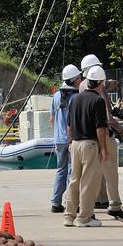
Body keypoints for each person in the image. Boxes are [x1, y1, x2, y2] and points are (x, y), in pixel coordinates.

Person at [63, 64, 111, 227]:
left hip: (75, 144)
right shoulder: (98, 101)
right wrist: (104, 149)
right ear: (100, 83)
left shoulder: (75, 98)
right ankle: (84, 218)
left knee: (74, 180)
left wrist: (70, 142)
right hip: (90, 145)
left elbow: (68, 125)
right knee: (88, 182)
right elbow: (100, 128)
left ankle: (69, 216)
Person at [80, 54, 123, 219]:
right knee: (110, 170)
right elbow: (105, 116)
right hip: (103, 133)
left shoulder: (83, 87)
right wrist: (120, 129)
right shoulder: (98, 91)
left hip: (88, 135)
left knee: (93, 171)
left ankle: (98, 200)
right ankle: (114, 204)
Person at [50, 63, 82, 214]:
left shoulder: (56, 96)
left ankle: (56, 202)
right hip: (71, 139)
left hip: (58, 139)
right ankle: (71, 203)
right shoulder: (76, 97)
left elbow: (52, 120)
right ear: (74, 80)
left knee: (60, 170)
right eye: (79, 78)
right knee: (72, 171)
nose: (81, 79)